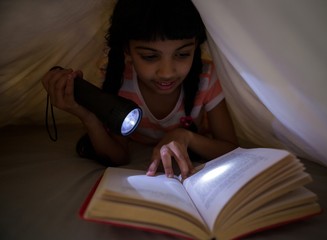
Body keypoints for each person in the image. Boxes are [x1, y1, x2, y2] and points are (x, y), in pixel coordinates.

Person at [41, 0, 238, 179]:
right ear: (127, 51)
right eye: (150, 57)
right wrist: (87, 116)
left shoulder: (205, 77)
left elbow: (231, 149)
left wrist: (185, 136)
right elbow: (118, 156)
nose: (167, 73)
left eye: (183, 54)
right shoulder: (120, 80)